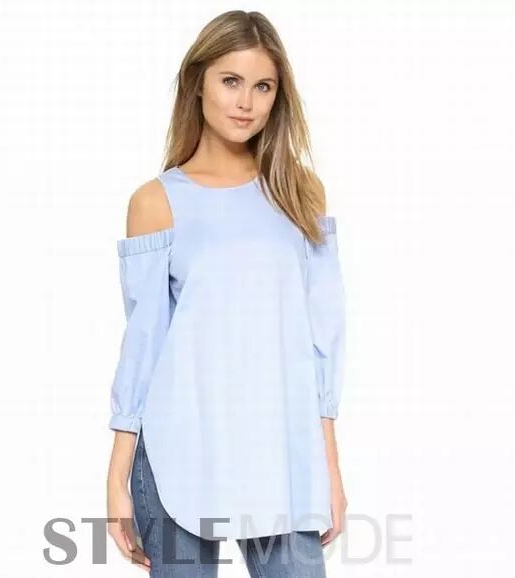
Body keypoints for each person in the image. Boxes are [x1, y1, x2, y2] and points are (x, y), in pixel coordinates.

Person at [106, 10, 348, 577]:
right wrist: (117, 476)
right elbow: (143, 346)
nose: (246, 103)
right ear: (198, 83)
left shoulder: (300, 194)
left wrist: (331, 469)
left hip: (281, 455)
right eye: (231, 81)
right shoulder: (156, 202)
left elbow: (322, 340)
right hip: (178, 452)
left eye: (263, 86)